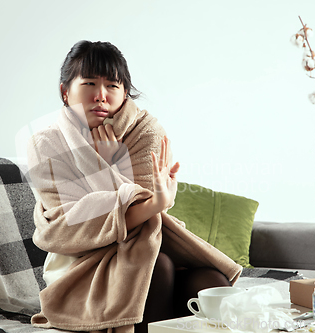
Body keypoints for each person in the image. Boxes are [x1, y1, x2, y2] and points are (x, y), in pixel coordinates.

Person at [27, 40, 241, 333]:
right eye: (89, 83)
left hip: (147, 244)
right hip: (80, 261)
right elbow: (72, 223)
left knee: (212, 282)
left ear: (125, 93)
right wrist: (123, 175)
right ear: (65, 91)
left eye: (112, 86)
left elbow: (145, 222)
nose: (101, 96)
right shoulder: (46, 143)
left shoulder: (147, 132)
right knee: (159, 267)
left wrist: (143, 198)